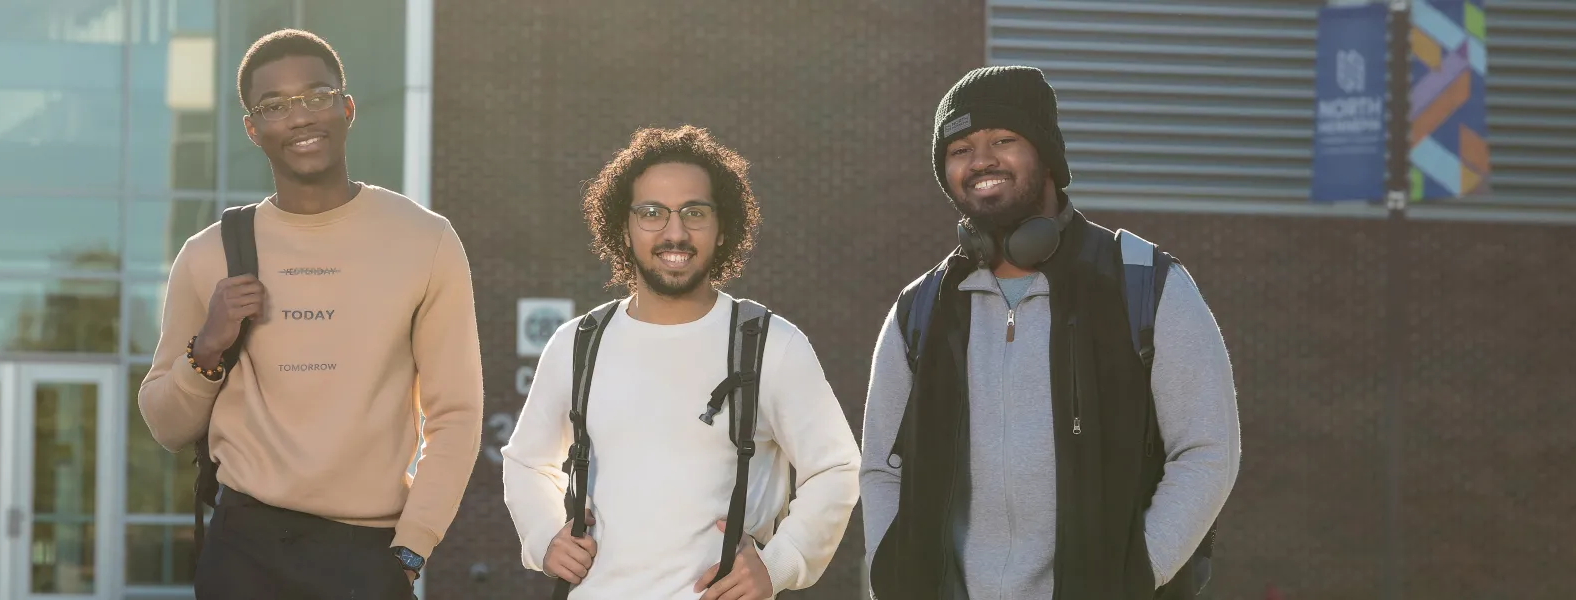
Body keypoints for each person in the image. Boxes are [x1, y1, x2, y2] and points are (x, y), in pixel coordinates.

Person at [861, 66, 1241, 599]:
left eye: (1003, 139)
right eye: (960, 149)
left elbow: (1206, 451)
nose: (981, 161)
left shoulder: (1146, 284)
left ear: (1047, 155)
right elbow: (881, 469)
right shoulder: (921, 308)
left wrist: (1132, 577)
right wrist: (895, 580)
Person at [137, 29, 483, 599]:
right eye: (274, 106)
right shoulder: (208, 255)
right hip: (245, 546)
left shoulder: (426, 240)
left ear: (346, 108)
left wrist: (411, 547)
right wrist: (206, 350)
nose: (299, 118)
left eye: (316, 97)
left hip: (368, 553)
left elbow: (456, 414)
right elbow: (164, 425)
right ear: (252, 129)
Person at [501, 126, 861, 599]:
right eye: (651, 213)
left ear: (722, 227)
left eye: (694, 212)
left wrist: (780, 564)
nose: (675, 232)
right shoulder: (578, 344)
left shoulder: (769, 343)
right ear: (623, 229)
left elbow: (836, 467)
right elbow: (526, 463)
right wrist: (545, 534)